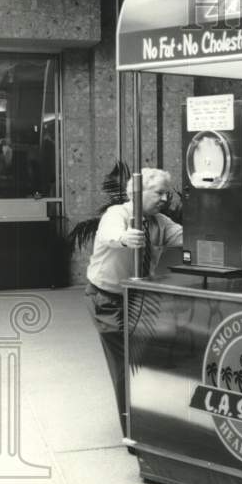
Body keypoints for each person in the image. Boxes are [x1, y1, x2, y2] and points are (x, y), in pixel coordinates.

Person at [85, 167, 182, 436]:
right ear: (138, 192)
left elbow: (186, 236)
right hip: (107, 299)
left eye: (167, 193)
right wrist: (125, 238)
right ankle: (133, 430)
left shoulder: (160, 222)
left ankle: (148, 417)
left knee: (145, 356)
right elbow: (111, 234)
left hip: (138, 298)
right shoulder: (117, 214)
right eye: (159, 192)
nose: (165, 198)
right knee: (124, 362)